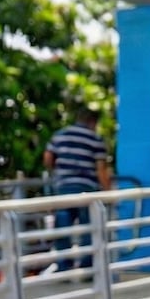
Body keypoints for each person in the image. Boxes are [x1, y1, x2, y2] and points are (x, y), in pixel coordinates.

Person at [42, 107, 112, 274]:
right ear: (92, 122)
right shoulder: (95, 139)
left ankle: (63, 267)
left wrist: (57, 171)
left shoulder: (60, 135)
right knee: (88, 229)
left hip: (64, 188)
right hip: (86, 189)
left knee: (63, 229)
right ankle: (86, 268)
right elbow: (101, 170)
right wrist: (108, 192)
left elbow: (47, 158)